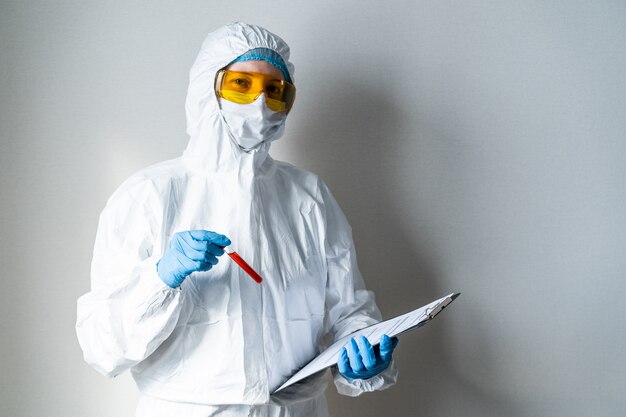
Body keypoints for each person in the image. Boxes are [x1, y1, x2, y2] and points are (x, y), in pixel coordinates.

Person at [76, 22, 398, 417]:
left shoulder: (309, 197)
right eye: (241, 84)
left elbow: (349, 310)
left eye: (275, 90)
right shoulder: (149, 195)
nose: (260, 103)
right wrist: (161, 277)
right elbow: (102, 346)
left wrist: (364, 351)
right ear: (207, 88)